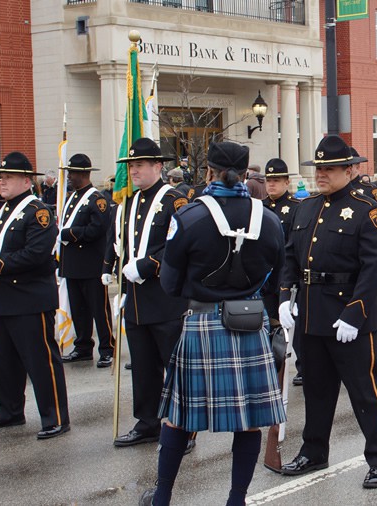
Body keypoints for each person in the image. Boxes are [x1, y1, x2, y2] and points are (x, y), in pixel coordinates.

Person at [139, 142, 286, 506]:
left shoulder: (190, 217)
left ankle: (162, 498)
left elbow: (171, 284)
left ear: (209, 170)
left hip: (202, 323)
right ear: (248, 169)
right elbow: (274, 276)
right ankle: (236, 500)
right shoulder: (268, 218)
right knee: (249, 419)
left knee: (179, 418)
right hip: (250, 322)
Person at [278, 135, 377, 488]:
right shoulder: (306, 207)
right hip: (312, 314)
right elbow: (289, 255)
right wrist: (285, 296)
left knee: (364, 391)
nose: (321, 175)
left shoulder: (366, 209)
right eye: (319, 169)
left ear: (350, 169)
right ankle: (314, 451)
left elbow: (376, 266)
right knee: (316, 389)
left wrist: (355, 312)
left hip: (348, 316)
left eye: (329, 169)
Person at [0, 151, 70, 439]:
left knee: (39, 360)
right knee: (2, 360)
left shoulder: (38, 212)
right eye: (0, 177)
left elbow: (36, 255)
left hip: (28, 299)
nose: (1, 182)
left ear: (27, 180)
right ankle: (10, 410)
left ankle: (54, 416)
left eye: (8, 177)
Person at [104, 138, 190, 448]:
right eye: (131, 166)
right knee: (142, 365)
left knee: (175, 365)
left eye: (139, 165)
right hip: (136, 299)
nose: (134, 171)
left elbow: (179, 246)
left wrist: (149, 265)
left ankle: (185, 425)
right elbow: (121, 245)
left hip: (164, 298)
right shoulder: (128, 203)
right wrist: (119, 280)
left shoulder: (174, 201)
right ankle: (148, 421)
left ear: (157, 166)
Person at [58, 154, 114, 368]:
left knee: (99, 310)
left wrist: (70, 233)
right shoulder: (72, 198)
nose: (69, 177)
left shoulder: (97, 199)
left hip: (91, 264)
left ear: (82, 174)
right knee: (78, 309)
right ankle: (82, 347)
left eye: (71, 173)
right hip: (72, 264)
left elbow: (98, 229)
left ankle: (107, 348)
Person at [261, 157, 303, 385]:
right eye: (269, 181)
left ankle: (303, 366)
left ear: (287, 182)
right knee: (269, 323)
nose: (272, 185)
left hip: (287, 275)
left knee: (293, 324)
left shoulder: (296, 208)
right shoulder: (258, 207)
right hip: (266, 277)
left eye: (276, 180)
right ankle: (271, 365)